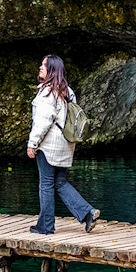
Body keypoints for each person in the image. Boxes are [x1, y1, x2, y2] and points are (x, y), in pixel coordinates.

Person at [27, 54, 100, 235]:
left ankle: (45, 226)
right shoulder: (68, 91)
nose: (40, 67)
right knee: (59, 182)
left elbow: (43, 121)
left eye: (44, 65)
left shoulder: (47, 92)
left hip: (49, 145)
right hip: (65, 145)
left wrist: (32, 144)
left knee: (46, 183)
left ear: (52, 69)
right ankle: (87, 212)